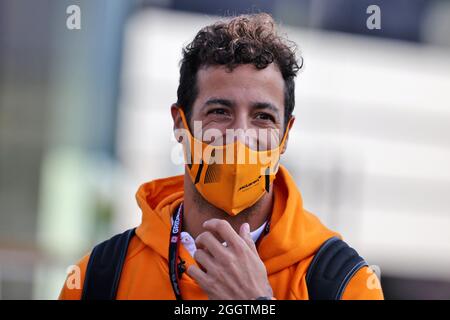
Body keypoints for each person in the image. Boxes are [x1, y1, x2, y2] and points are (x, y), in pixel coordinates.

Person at [59, 13, 383, 300]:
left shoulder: (343, 282)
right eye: (219, 111)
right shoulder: (99, 276)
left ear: (285, 135)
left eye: (263, 117)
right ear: (179, 123)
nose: (241, 135)